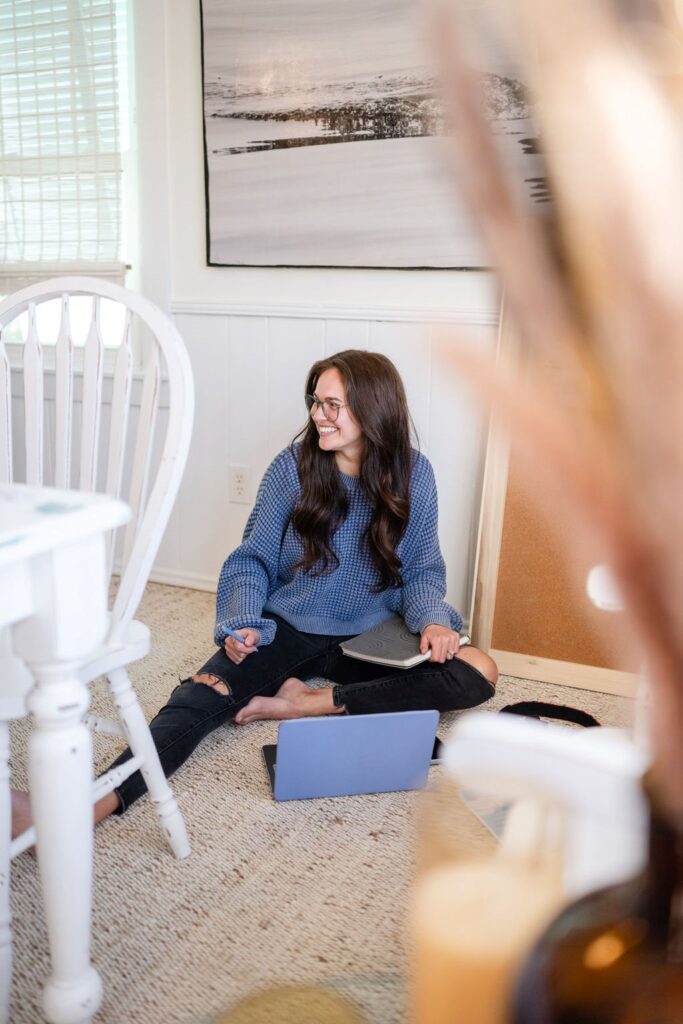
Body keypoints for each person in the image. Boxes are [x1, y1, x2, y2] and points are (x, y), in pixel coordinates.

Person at [12, 349, 497, 834]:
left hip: (374, 638)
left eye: (332, 405)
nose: (317, 416)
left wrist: (433, 620)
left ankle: (305, 703)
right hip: (288, 627)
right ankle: (88, 804)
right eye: (315, 402)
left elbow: (423, 570)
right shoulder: (293, 468)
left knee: (479, 670)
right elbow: (252, 560)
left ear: (373, 409)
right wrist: (241, 621)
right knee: (200, 698)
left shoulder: (415, 474)